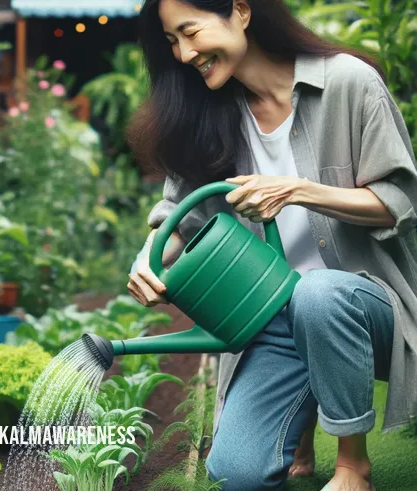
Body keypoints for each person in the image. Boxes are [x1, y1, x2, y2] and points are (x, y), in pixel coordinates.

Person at [126, 0, 417, 490]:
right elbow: (176, 217)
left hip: (368, 307)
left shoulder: (348, 83)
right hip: (274, 318)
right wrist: (146, 258)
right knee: (235, 473)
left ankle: (353, 464)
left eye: (190, 32)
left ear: (240, 10)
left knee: (317, 293)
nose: (183, 53)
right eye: (172, 42)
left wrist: (297, 190)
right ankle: (297, 424)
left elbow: (400, 202)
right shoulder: (206, 116)